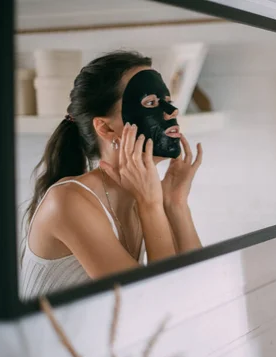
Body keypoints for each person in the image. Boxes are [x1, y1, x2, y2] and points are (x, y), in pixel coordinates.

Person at [20, 51, 203, 300]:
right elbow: (156, 303)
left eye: (167, 100)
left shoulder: (143, 194)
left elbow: (196, 290)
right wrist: (151, 206)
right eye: (150, 103)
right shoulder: (68, 201)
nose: (171, 110)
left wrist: (176, 203)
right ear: (105, 128)